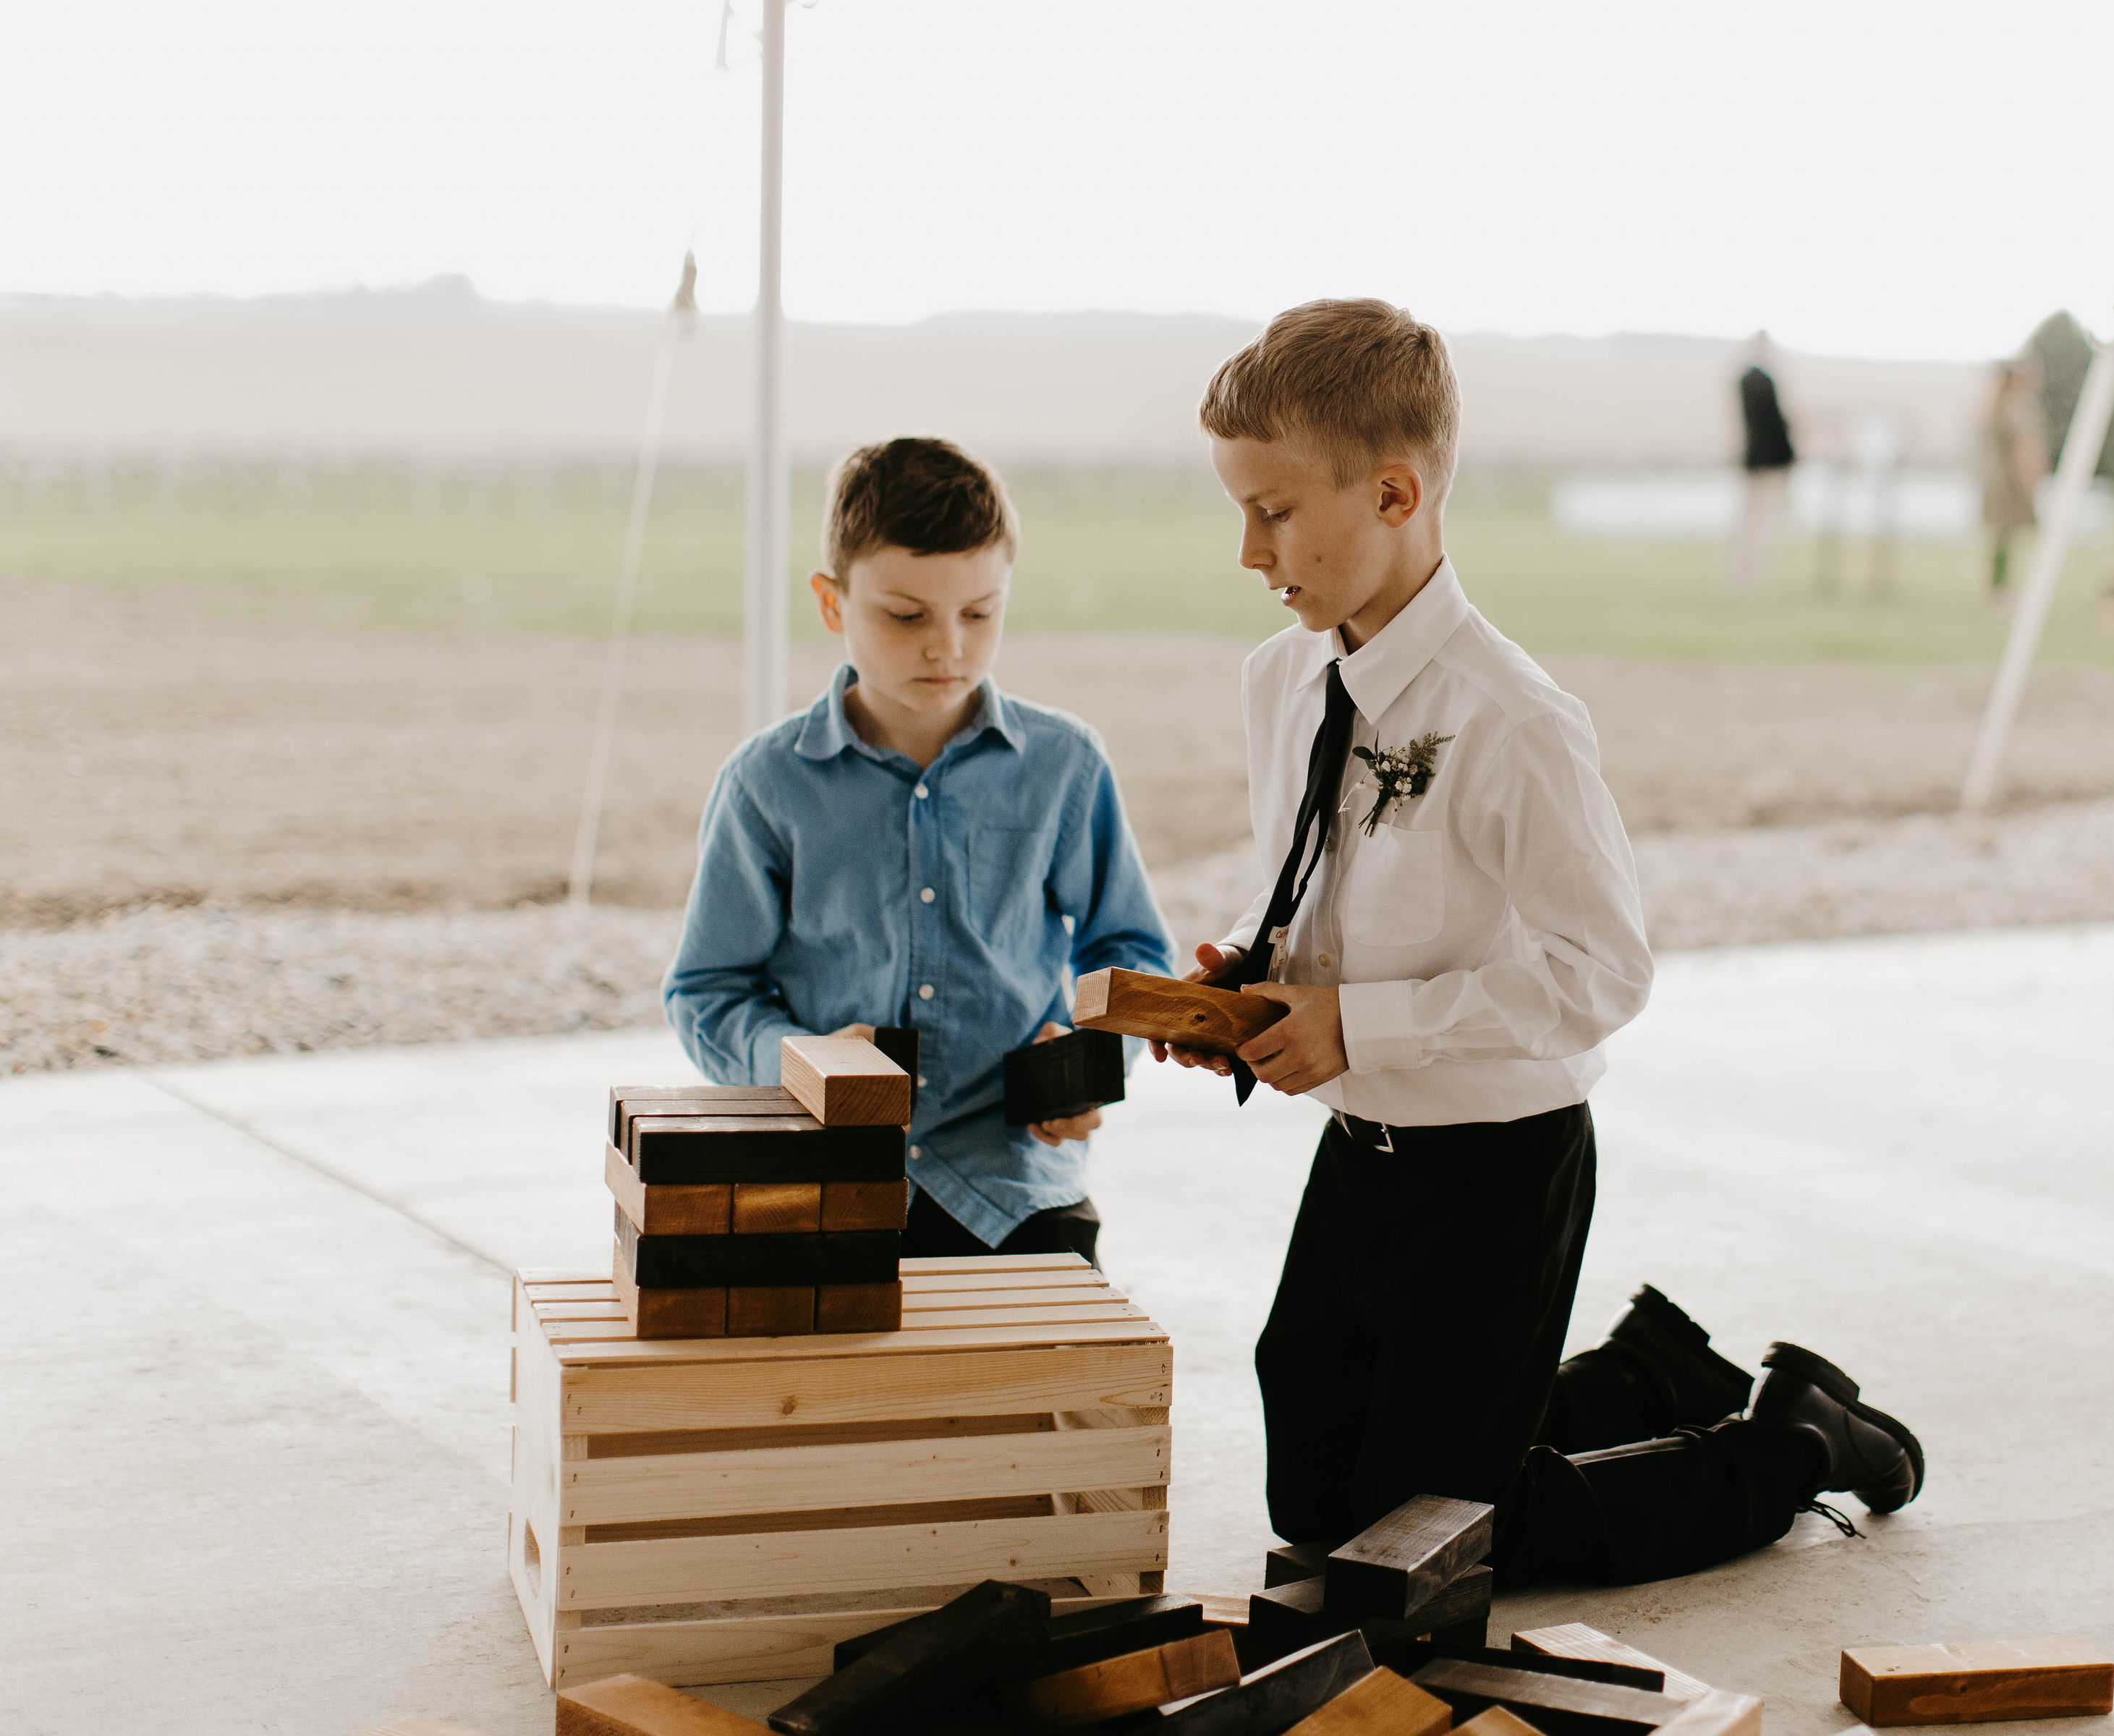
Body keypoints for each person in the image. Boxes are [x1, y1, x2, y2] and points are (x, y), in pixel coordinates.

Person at [1160, 297, 1924, 1583]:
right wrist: (1249, 976)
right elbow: (1309, 888)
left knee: (1442, 1546)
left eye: (1275, 511)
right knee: (1316, 1505)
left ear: (1398, 494)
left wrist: (1366, 1024)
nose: (1249, 550)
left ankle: (1795, 1440)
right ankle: (1645, 1375)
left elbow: (1601, 971)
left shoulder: (1514, 718)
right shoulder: (1281, 680)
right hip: (1362, 1150)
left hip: (1498, 1166)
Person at [663, 437, 1173, 1264]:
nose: (950, 648)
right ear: (832, 603)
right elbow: (706, 991)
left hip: (1015, 1183)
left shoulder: (1065, 765)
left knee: (1053, 1381)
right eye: (906, 616)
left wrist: (1090, 1057)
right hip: (823, 1175)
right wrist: (804, 1061)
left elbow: (1133, 951)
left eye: (980, 613)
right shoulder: (765, 785)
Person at [1728, 333, 1795, 592]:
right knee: (1758, 520)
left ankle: (1746, 575)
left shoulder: (1745, 380)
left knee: (1753, 518)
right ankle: (1746, 576)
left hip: (1756, 460)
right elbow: (1775, 425)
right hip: (1767, 462)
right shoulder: (1760, 381)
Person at [1976, 359, 2050, 596]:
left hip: (1999, 479)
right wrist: (2032, 478)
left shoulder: (1994, 407)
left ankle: (2002, 586)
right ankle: (2003, 588)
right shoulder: (2012, 409)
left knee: (2004, 537)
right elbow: (2022, 449)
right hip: (2008, 481)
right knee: (2006, 536)